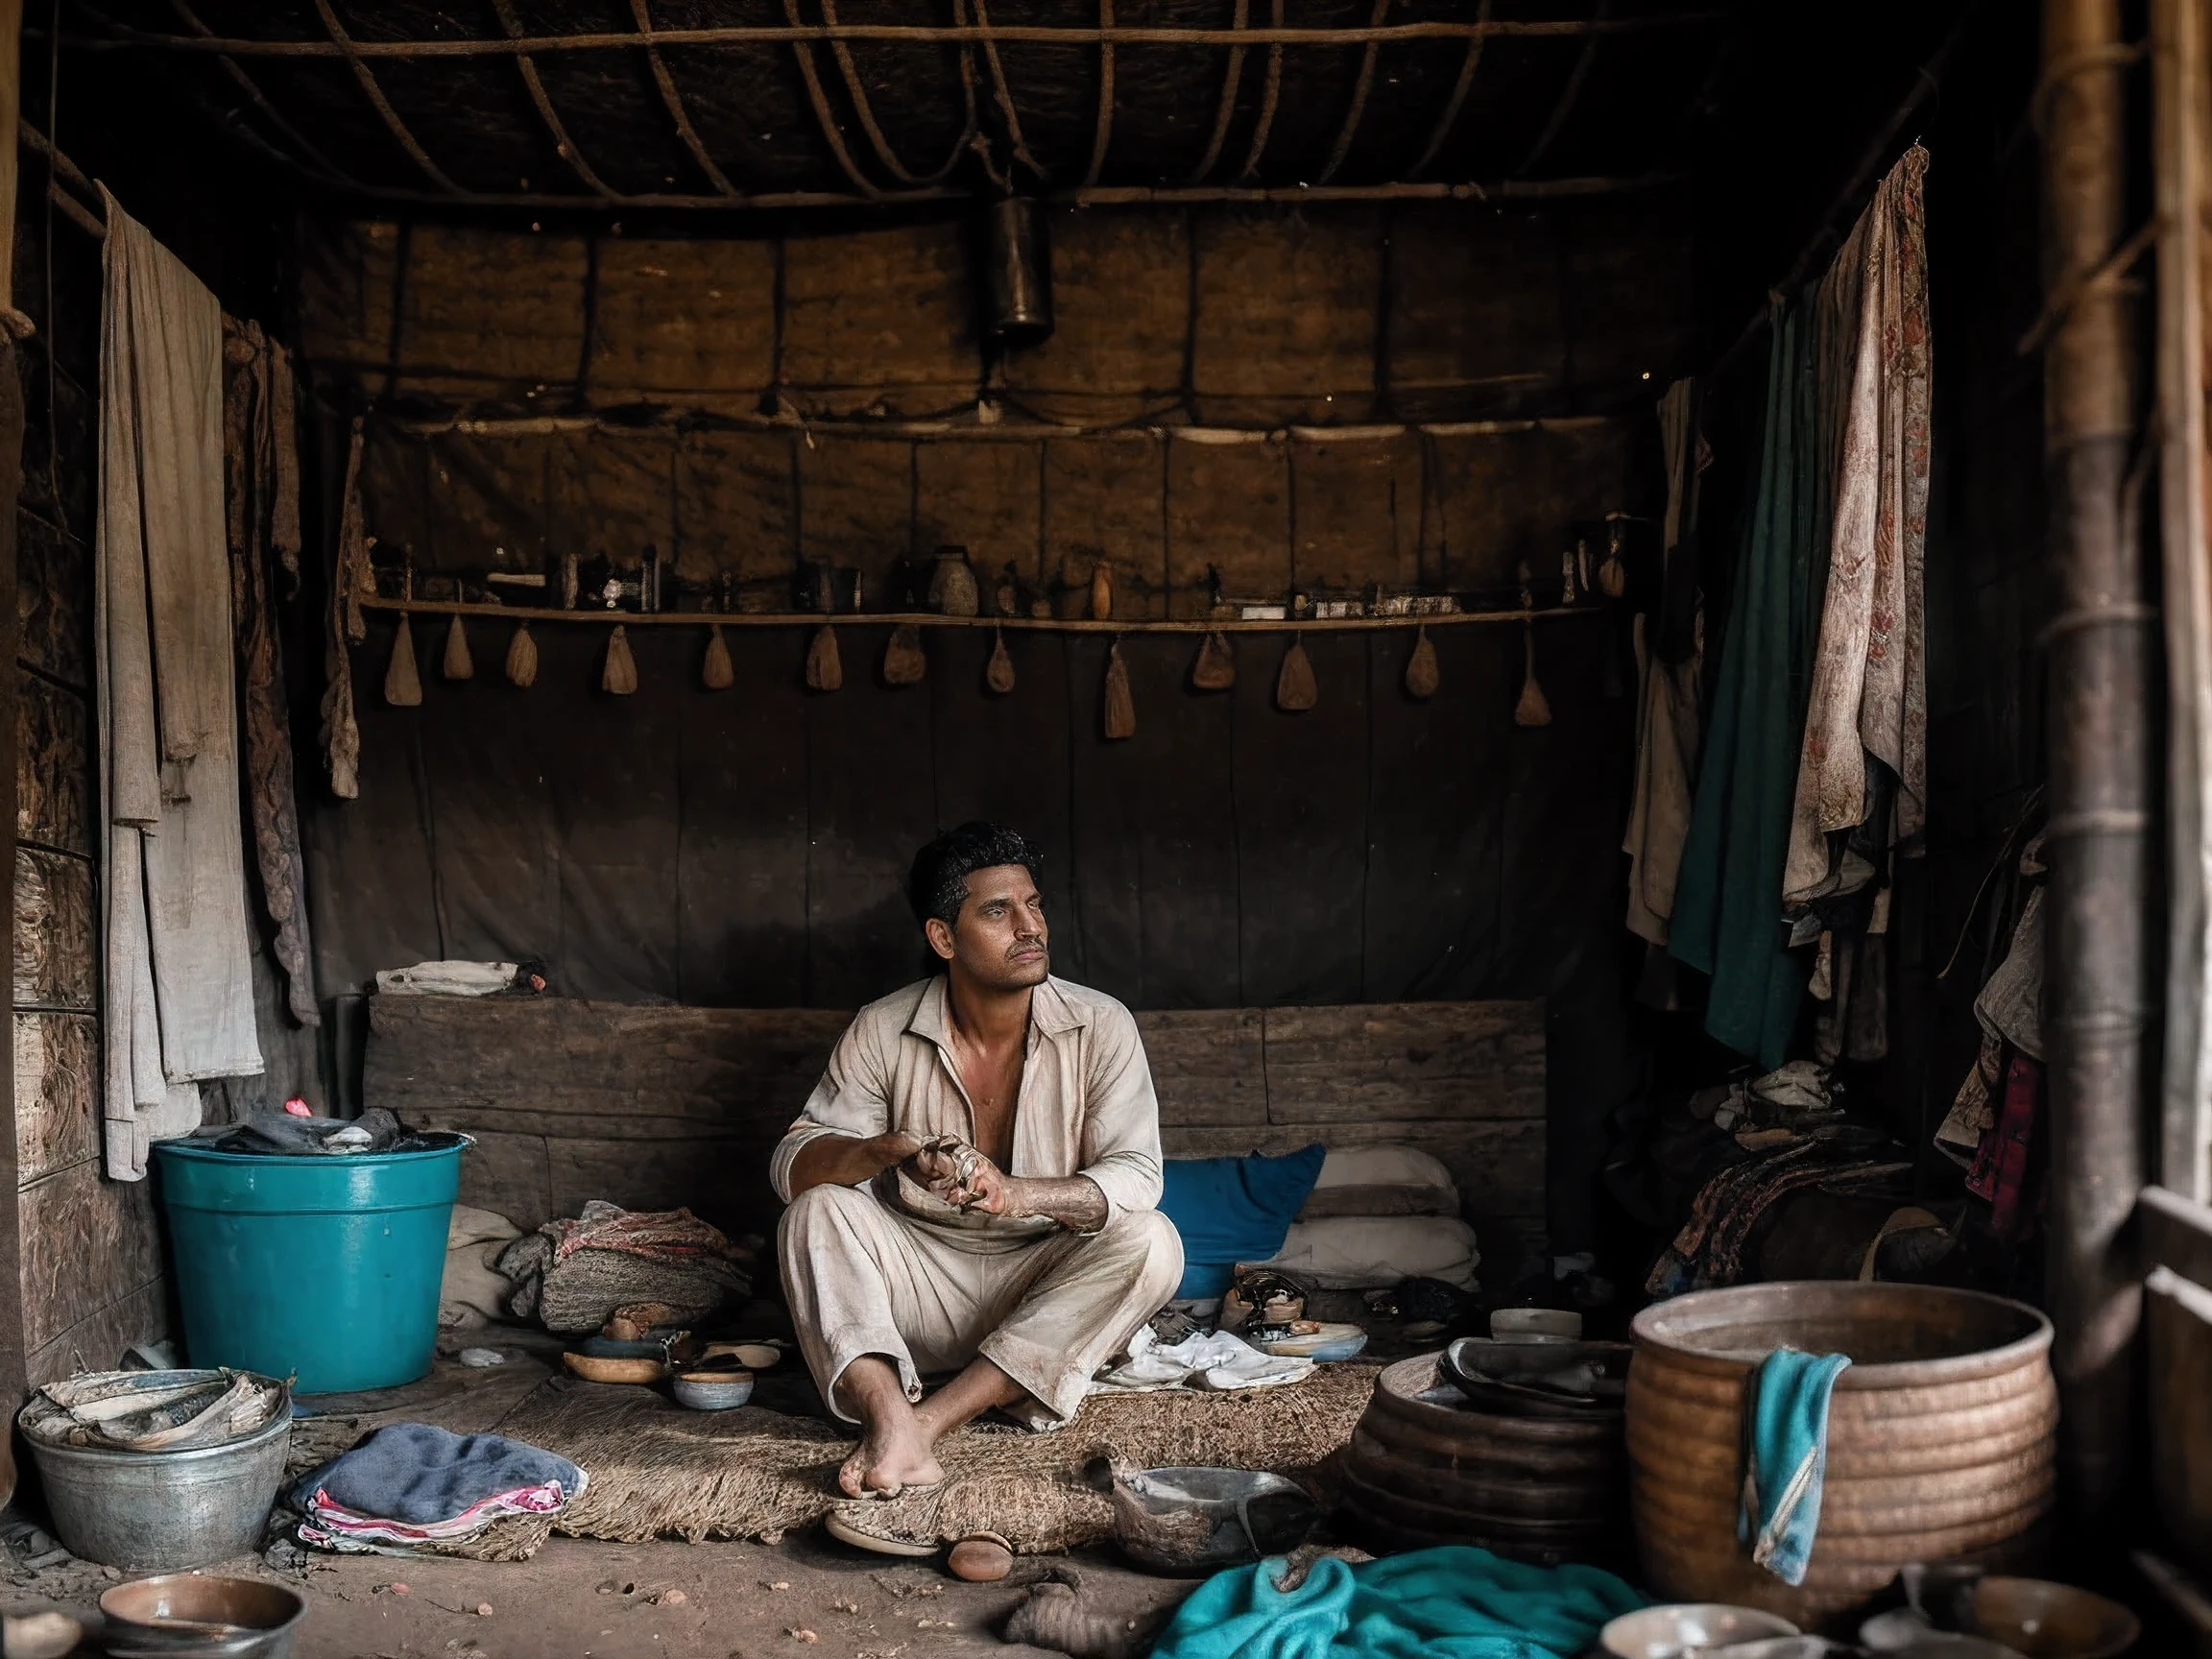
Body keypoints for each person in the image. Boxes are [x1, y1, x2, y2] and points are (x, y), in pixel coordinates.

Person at [773, 822, 1184, 1499]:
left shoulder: (1101, 1023)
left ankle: (919, 1427)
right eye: (998, 911)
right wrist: (883, 1152)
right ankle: (885, 1408)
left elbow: (1138, 1175)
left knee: (1154, 1241)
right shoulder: (882, 1025)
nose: (1029, 927)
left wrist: (1018, 1194)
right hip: (917, 1288)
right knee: (814, 1212)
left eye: (1035, 905)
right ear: (943, 938)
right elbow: (791, 1162)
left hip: (1040, 1286)